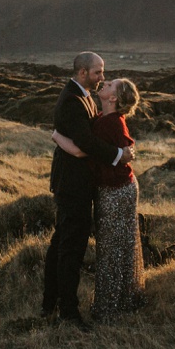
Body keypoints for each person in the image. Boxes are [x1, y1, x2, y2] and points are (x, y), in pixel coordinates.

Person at [41, 51, 131, 331]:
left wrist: (57, 136)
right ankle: (67, 311)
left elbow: (85, 142)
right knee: (71, 247)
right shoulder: (71, 100)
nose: (102, 77)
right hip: (73, 187)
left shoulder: (83, 96)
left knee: (62, 243)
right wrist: (118, 154)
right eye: (98, 73)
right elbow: (85, 146)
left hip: (77, 184)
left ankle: (50, 302)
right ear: (83, 73)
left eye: (103, 73)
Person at [54, 77, 145, 321]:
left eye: (110, 84)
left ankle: (110, 307)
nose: (104, 82)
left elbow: (84, 148)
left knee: (113, 248)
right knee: (113, 246)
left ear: (113, 98)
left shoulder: (110, 124)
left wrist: (56, 136)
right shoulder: (102, 118)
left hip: (117, 190)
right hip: (114, 188)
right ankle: (118, 300)